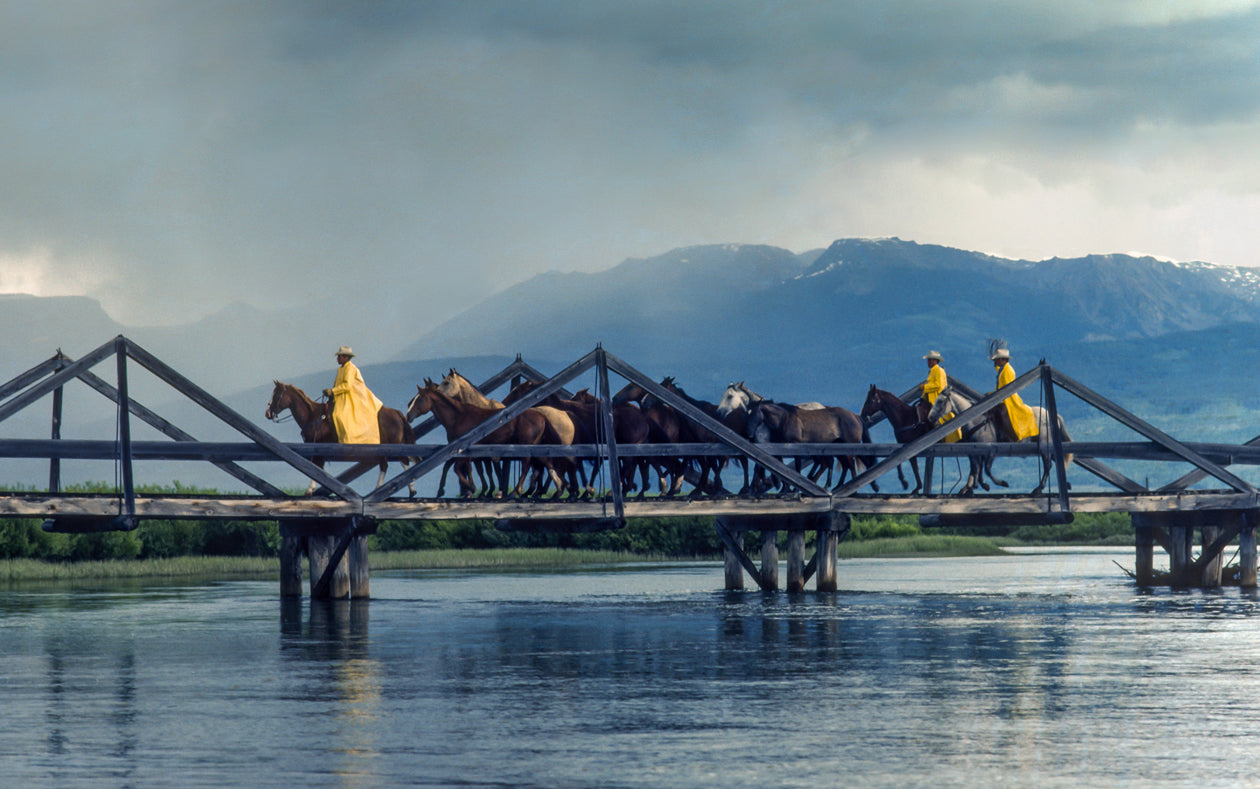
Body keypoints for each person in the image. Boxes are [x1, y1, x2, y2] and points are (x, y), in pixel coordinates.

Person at [324, 346, 383, 444]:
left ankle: (348, 440)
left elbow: (347, 386)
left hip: (351, 396)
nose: (338, 358)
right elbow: (338, 384)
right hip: (341, 396)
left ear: (346, 358)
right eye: (338, 356)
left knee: (340, 415)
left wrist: (333, 391)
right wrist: (331, 393)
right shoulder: (341, 369)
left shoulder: (351, 368)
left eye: (340, 356)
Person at [991, 347, 1038, 441]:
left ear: (1002, 359)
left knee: (1001, 412)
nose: (995, 361)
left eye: (997, 359)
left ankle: (1007, 434)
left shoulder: (1007, 370)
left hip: (1008, 398)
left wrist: (996, 396)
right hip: (1002, 396)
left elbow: (1006, 388)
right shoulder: (1003, 369)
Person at [919, 350, 962, 443]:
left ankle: (940, 437)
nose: (928, 362)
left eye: (930, 360)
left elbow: (938, 385)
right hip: (931, 400)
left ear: (935, 361)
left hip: (937, 400)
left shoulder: (939, 371)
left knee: (938, 419)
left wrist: (925, 387)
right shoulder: (932, 372)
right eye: (928, 360)